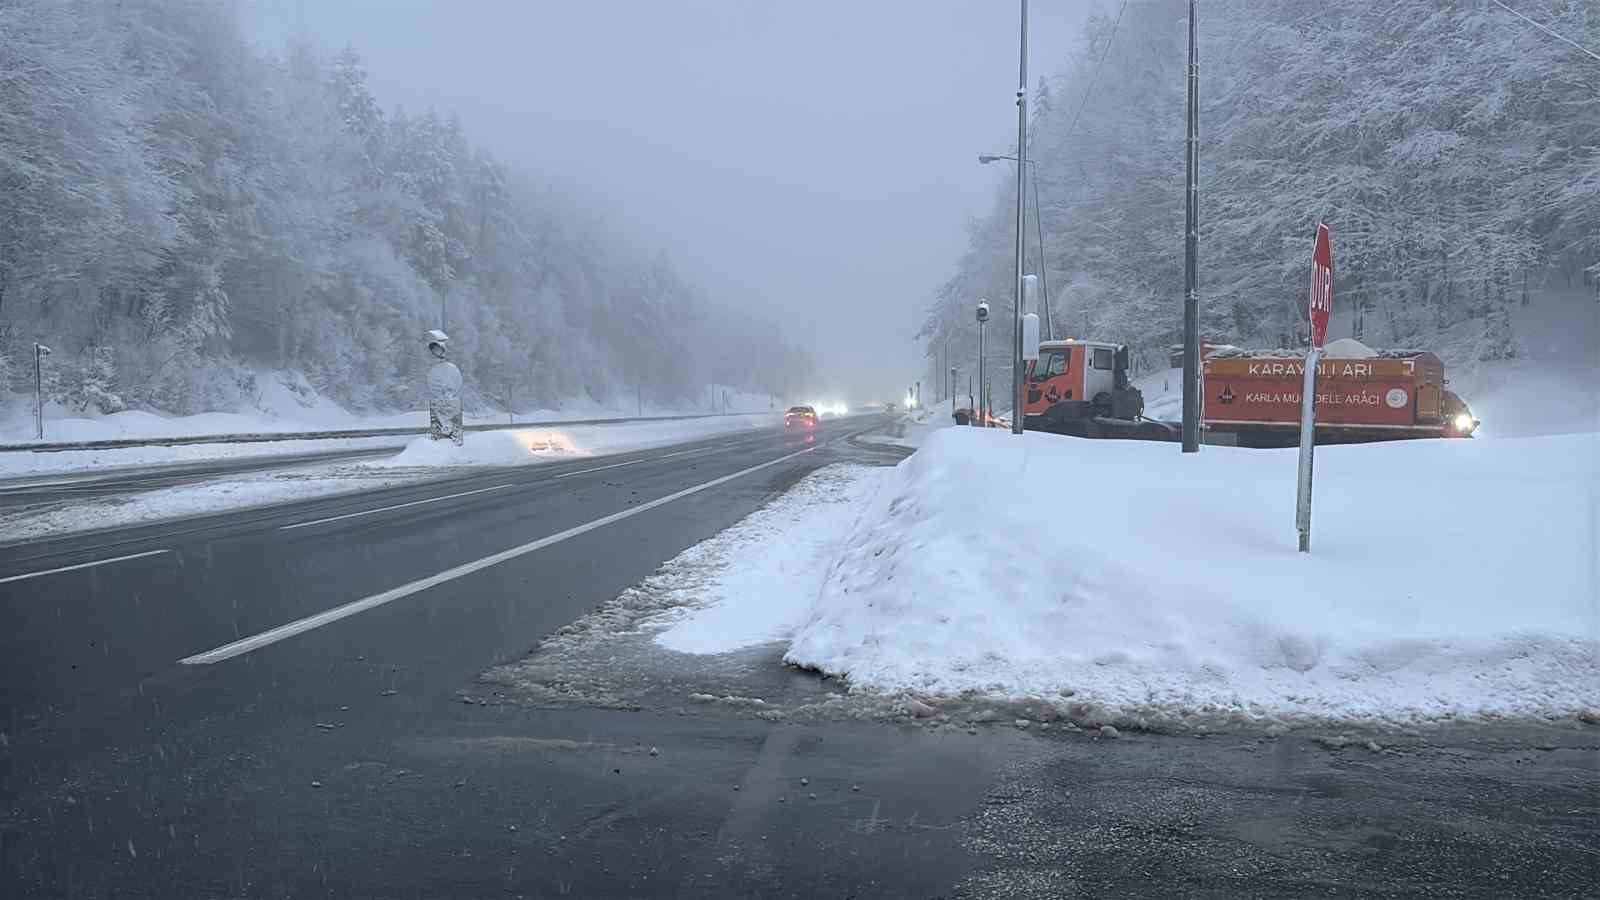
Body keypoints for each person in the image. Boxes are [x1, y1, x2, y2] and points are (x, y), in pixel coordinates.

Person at [425, 330, 463, 446]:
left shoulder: (449, 371)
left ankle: (449, 444)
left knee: (450, 438)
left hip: (450, 405)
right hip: (439, 405)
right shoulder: (437, 373)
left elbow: (455, 381)